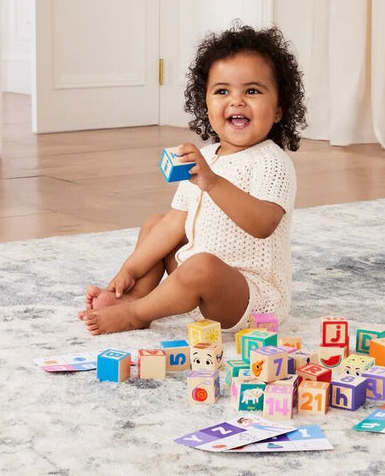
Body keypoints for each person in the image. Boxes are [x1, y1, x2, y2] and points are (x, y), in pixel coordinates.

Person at [79, 23, 306, 335]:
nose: (237, 101)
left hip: (248, 298)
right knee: (156, 225)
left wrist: (212, 182)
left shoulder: (272, 162)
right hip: (196, 281)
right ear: (206, 103)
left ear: (279, 109)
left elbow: (263, 224)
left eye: (252, 91)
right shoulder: (206, 156)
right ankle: (133, 296)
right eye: (222, 91)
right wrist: (129, 270)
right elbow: (175, 223)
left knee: (203, 266)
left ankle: (136, 314)